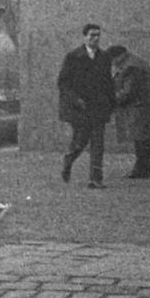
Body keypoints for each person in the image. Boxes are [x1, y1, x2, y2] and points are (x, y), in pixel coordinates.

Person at [57, 23, 115, 188]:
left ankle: (95, 179)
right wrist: (75, 99)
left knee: (98, 143)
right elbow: (63, 83)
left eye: (98, 35)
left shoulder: (104, 57)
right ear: (85, 37)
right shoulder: (73, 57)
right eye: (92, 35)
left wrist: (111, 103)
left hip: (98, 107)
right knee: (80, 142)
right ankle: (69, 159)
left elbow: (108, 82)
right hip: (80, 108)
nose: (95, 39)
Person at [108, 45, 150, 178]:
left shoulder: (132, 67)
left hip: (141, 109)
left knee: (142, 140)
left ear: (120, 56)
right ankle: (144, 169)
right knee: (145, 139)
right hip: (144, 107)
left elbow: (128, 92)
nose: (112, 63)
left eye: (112, 59)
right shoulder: (133, 62)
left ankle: (141, 170)